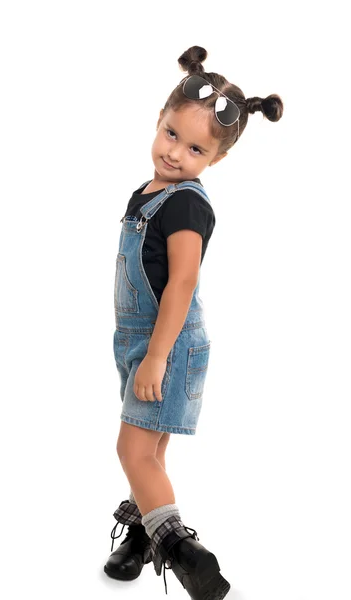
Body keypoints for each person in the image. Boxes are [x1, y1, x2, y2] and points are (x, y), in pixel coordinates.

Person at [104, 45, 283, 598]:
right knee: (151, 453)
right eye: (171, 135)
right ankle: (142, 535)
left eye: (197, 148)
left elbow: (181, 283)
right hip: (142, 342)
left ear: (217, 159)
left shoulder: (186, 205)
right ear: (158, 121)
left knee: (131, 451)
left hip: (167, 344)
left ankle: (183, 550)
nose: (177, 153)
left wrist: (157, 355)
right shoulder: (147, 193)